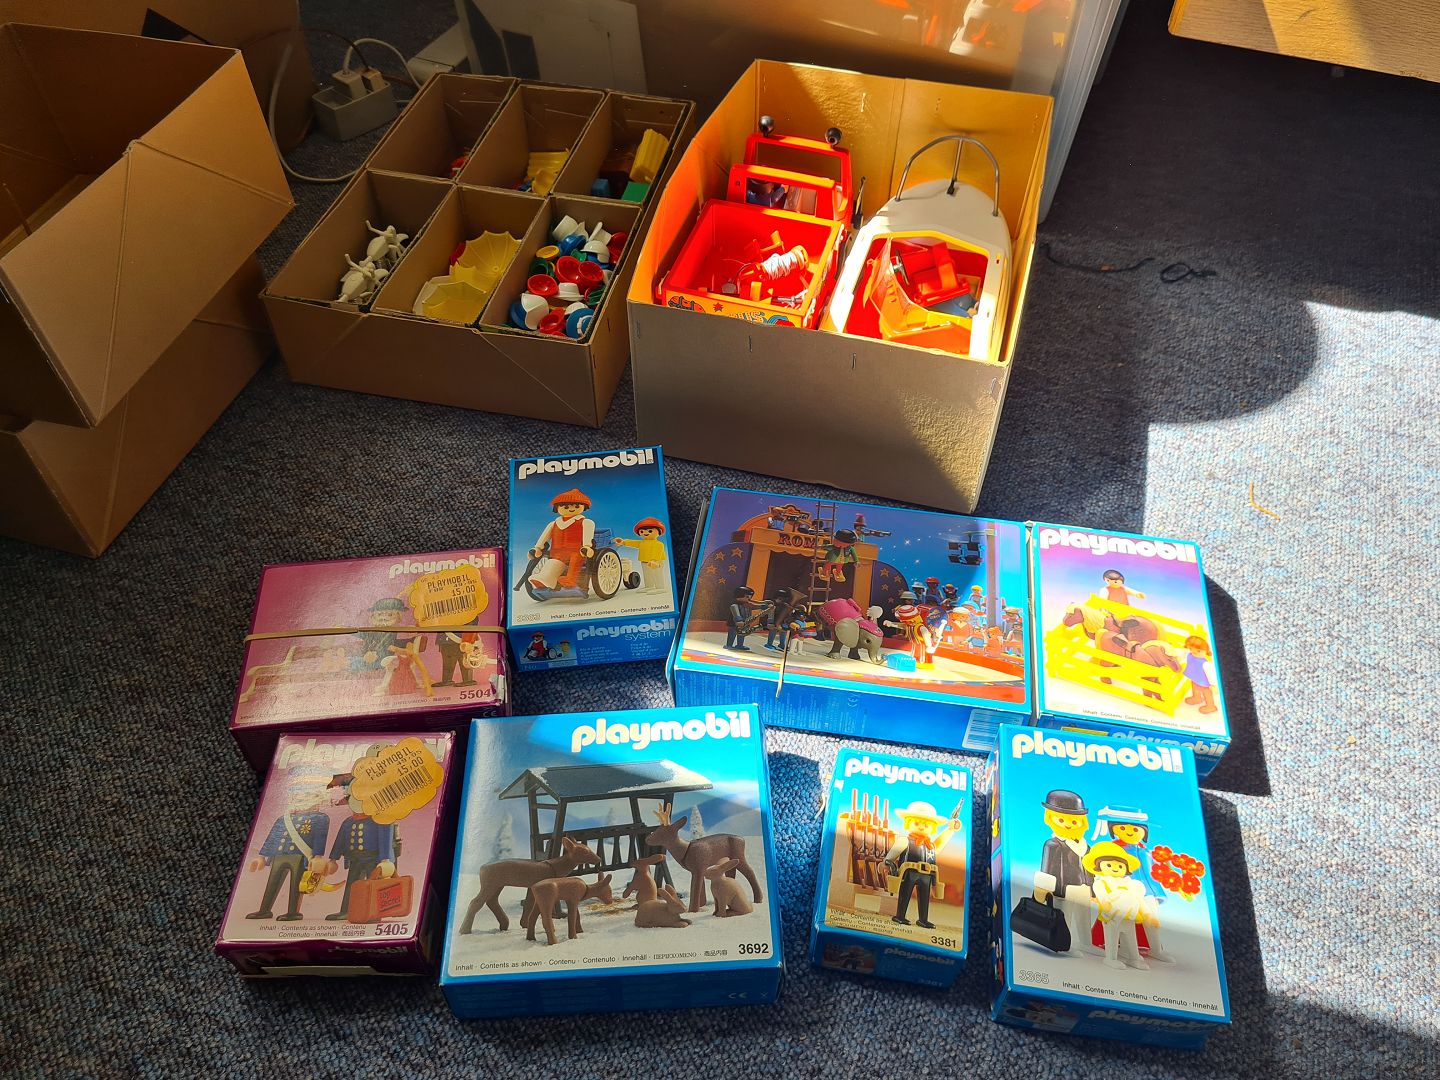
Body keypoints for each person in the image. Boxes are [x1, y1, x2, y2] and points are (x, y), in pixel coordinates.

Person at [245, 775, 332, 922]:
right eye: (298, 795)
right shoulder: (283, 819)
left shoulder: (320, 818)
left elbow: (319, 838)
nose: (302, 798)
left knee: (296, 885)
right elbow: (272, 837)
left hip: (300, 856)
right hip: (278, 855)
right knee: (272, 883)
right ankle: (264, 910)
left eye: (307, 795)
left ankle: (293, 912)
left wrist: (318, 856)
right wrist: (261, 857)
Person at [323, 772, 397, 922]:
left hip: (373, 860)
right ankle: (347, 911)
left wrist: (385, 859)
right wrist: (333, 859)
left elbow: (385, 839)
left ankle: (375, 913)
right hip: (355, 859)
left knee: (375, 886)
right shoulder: (348, 822)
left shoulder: (380, 819)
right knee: (352, 886)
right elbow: (340, 841)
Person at [884, 800, 962, 929]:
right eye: (916, 823)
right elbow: (893, 853)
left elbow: (941, 841)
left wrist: (951, 829)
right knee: (905, 894)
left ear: (933, 827)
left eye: (926, 825)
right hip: (908, 872)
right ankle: (900, 916)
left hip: (927, 875)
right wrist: (887, 862)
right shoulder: (905, 840)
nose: (921, 827)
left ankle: (923, 920)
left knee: (925, 897)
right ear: (908, 823)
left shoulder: (930, 846)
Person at [1033, 789, 1092, 955]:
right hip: (1062, 890)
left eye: (1074, 821)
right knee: (1064, 918)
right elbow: (1046, 869)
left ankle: (1086, 943)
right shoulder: (1053, 845)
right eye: (1061, 819)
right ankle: (1064, 944)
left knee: (1083, 918)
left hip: (1083, 890)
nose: (1068, 824)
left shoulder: (1085, 846)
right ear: (1050, 818)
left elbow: (1089, 870)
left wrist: (1093, 890)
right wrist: (1041, 891)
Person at [529, 488, 595, 592]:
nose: (571, 509)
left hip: (576, 550)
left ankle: (571, 579)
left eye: (576, 506)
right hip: (557, 551)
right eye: (566, 506)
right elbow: (544, 537)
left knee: (575, 559)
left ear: (584, 507)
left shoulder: (586, 522)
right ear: (557, 508)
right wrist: (538, 548)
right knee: (552, 562)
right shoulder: (553, 524)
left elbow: (588, 535)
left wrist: (587, 546)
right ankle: (546, 578)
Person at [616, 517, 668, 593]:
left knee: (657, 574)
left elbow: (657, 553)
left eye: (650, 531)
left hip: (656, 562)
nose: (645, 533)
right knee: (647, 575)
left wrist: (654, 561)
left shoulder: (659, 544)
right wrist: (623, 542)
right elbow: (633, 543)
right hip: (644, 561)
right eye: (642, 531)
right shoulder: (642, 543)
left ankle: (660, 587)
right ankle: (649, 586)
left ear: (659, 532)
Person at [1181, 634, 1219, 714]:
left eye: (1198, 651)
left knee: (1206, 693)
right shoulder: (1190, 655)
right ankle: (1197, 698)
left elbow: (1211, 674)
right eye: (1191, 649)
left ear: (1206, 651)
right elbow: (1183, 655)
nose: (1194, 652)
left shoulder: (1206, 664)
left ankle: (1210, 706)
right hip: (1195, 678)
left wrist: (1213, 684)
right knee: (1195, 688)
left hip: (1204, 682)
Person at [725, 587, 769, 651]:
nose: (749, 598)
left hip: (745, 623)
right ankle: (729, 645)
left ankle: (740, 645)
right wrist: (739, 620)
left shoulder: (748, 605)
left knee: (742, 634)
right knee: (732, 633)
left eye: (750, 597)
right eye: (747, 597)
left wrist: (765, 606)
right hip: (734, 623)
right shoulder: (734, 605)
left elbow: (755, 606)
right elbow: (736, 613)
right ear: (739, 595)